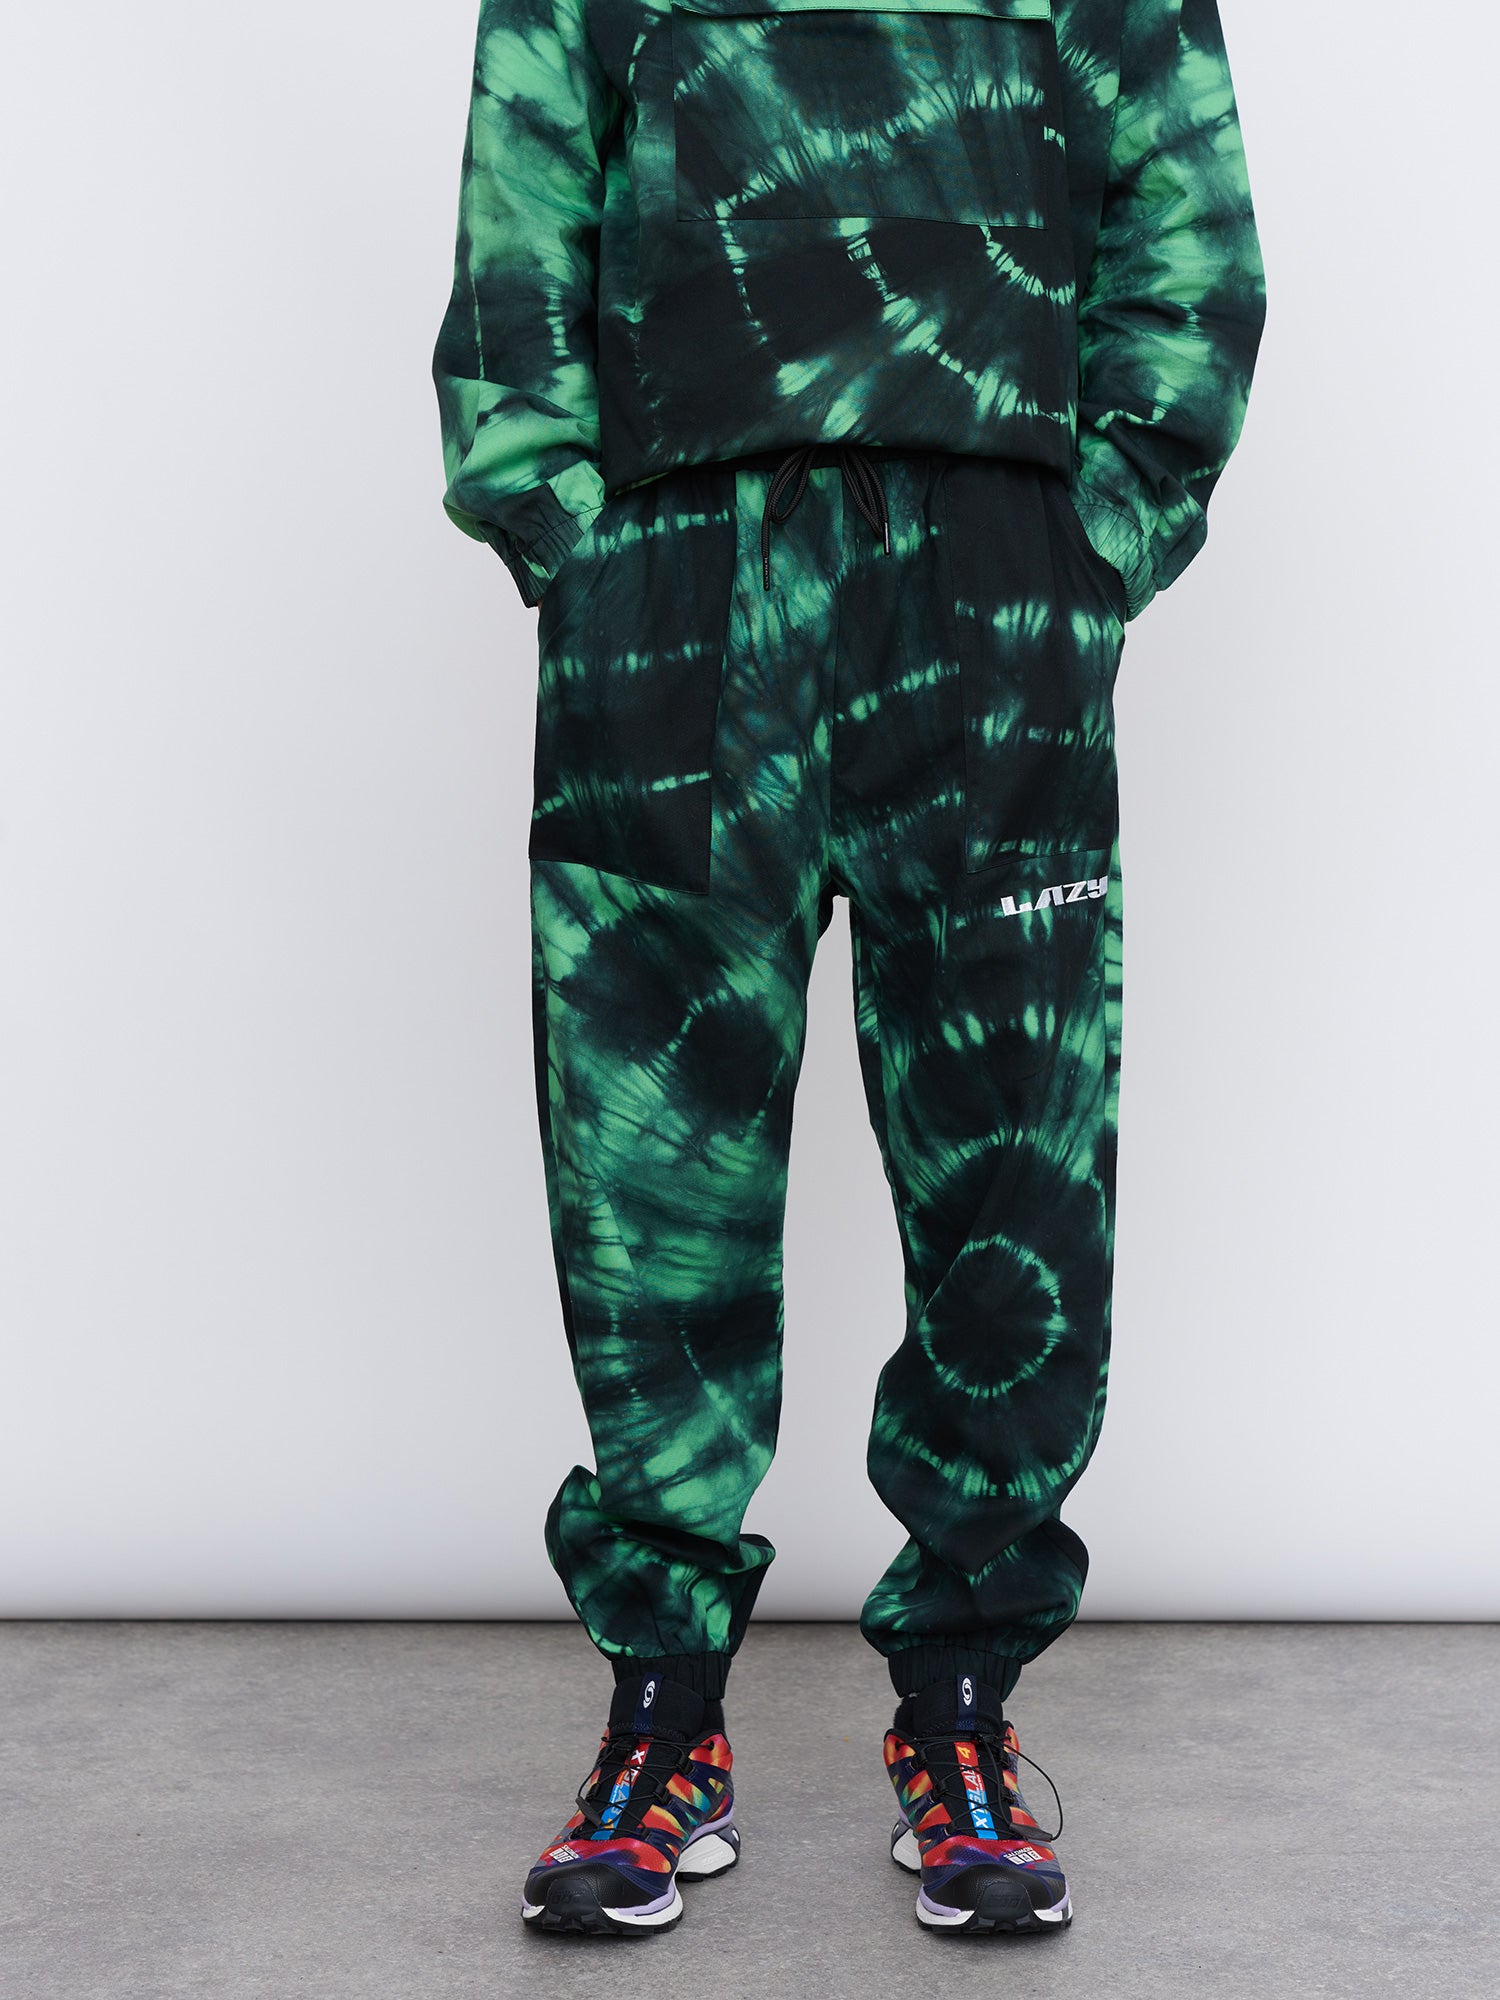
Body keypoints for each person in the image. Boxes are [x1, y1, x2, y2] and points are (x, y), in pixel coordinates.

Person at [433, 0, 1264, 1939]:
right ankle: (662, 1715)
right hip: (675, 572)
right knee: (650, 1166)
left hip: (989, 569)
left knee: (1014, 1160)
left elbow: (1185, 215)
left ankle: (963, 1705)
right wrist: (570, 535)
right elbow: (521, 217)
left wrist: (1098, 533)